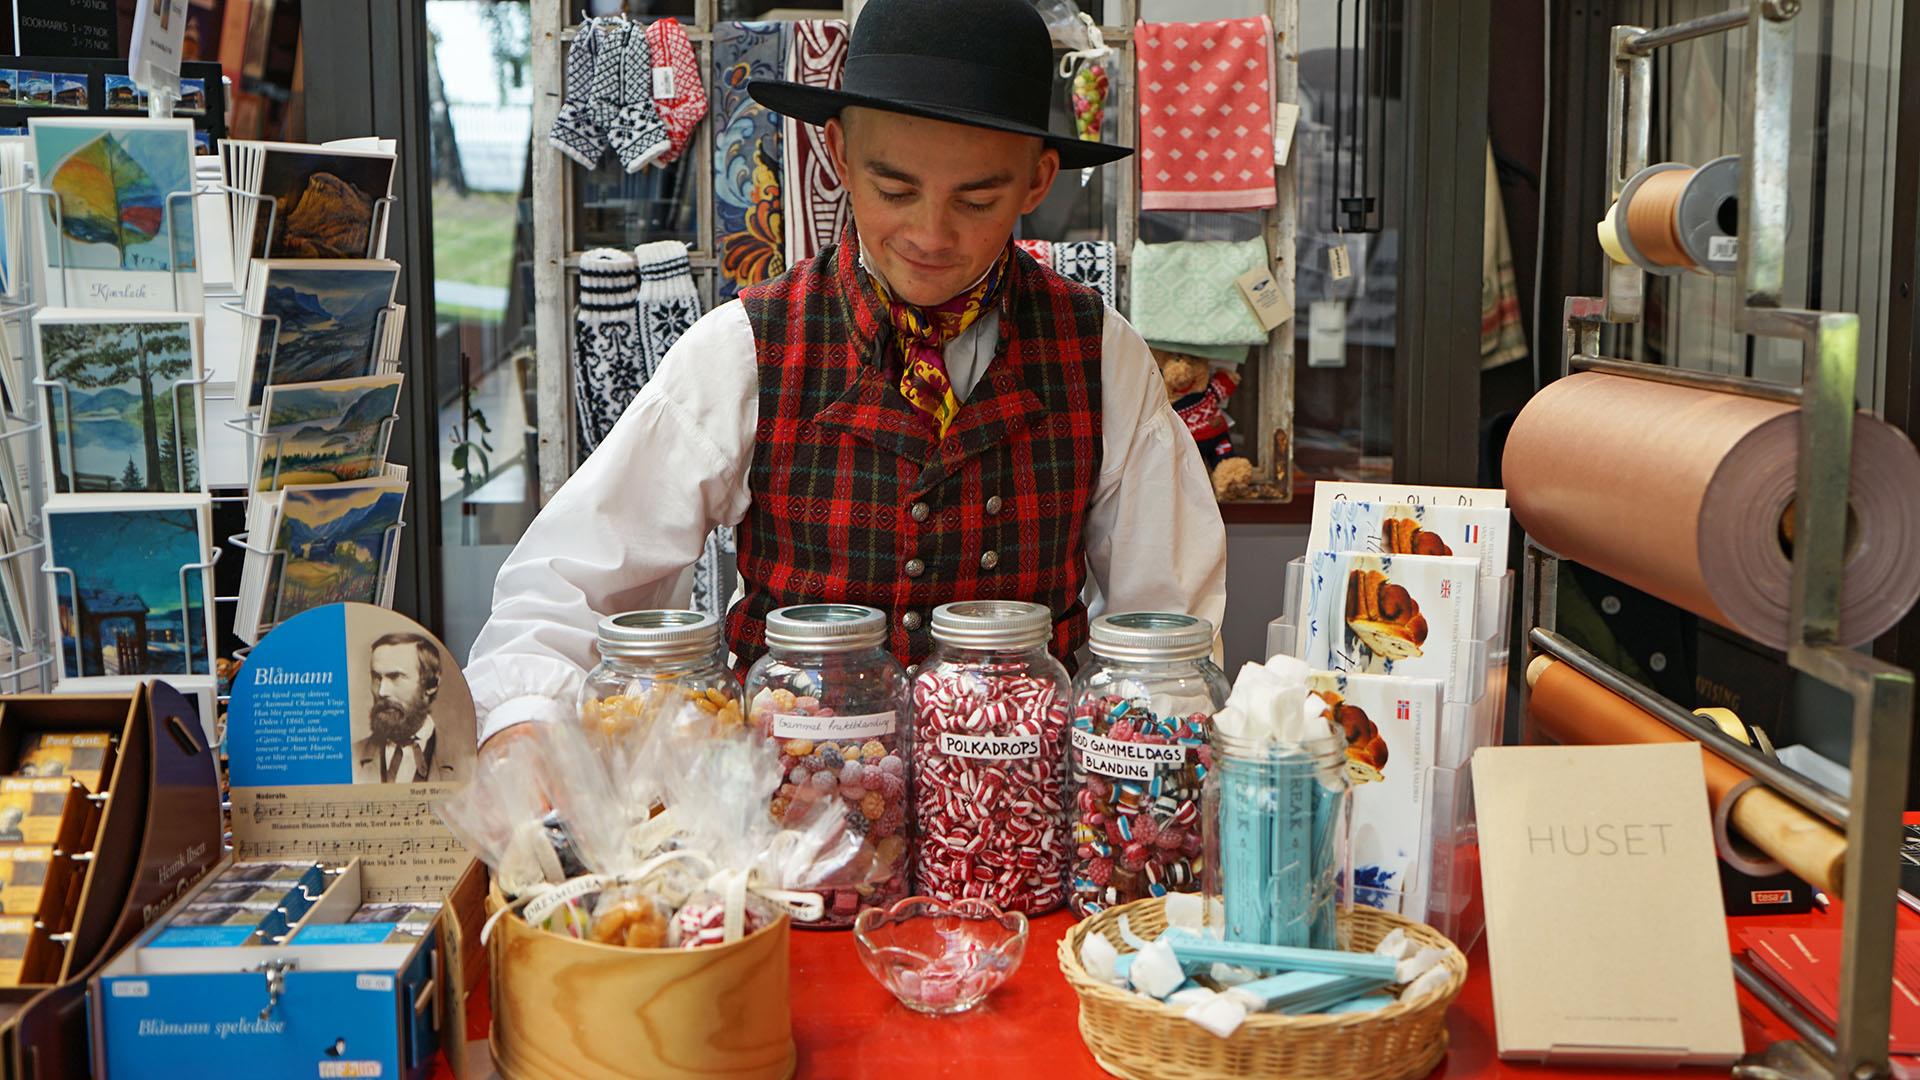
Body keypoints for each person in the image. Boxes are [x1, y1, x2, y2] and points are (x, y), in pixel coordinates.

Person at [466, 0, 1227, 754]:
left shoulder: (1099, 353)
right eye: (895, 190)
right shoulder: (746, 348)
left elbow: (1168, 628)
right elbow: (568, 582)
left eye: (978, 198)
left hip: (1019, 819)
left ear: (1037, 183)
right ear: (837, 154)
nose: (931, 234)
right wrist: (524, 721)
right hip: (790, 812)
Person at [355, 632, 462, 784]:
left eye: (395, 677)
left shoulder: (463, 759)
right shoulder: (351, 757)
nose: (382, 692)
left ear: (431, 684)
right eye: (377, 678)